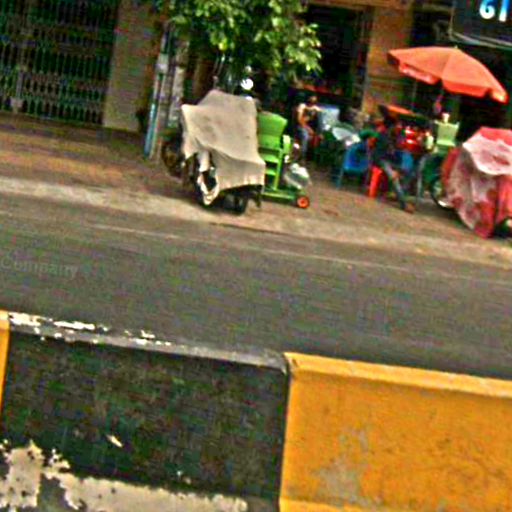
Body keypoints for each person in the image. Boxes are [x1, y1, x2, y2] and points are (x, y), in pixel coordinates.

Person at [372, 116, 415, 214]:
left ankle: (397, 194)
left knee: (410, 174)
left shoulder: (399, 136)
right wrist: (395, 170)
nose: (400, 127)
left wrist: (399, 169)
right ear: (393, 126)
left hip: (392, 161)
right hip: (382, 160)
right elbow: (386, 153)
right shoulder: (384, 135)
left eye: (401, 126)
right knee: (393, 177)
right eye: (398, 125)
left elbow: (399, 152)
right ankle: (403, 203)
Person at [296, 95, 322, 162]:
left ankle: (311, 157)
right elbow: (299, 120)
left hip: (310, 128)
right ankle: (302, 156)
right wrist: (308, 129)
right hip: (302, 126)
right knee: (305, 136)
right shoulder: (302, 106)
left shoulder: (315, 109)